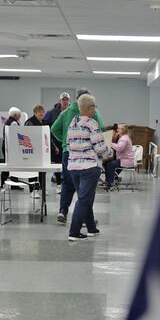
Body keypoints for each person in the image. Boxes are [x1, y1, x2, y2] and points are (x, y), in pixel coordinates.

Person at [50, 88, 104, 224]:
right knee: (85, 188)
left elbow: (53, 129)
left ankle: (63, 211)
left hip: (67, 152)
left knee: (67, 184)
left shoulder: (65, 112)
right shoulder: (92, 112)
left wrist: (65, 141)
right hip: (85, 155)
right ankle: (86, 219)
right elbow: (101, 127)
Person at [66, 94, 108, 241]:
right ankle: (74, 231)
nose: (95, 110)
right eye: (94, 107)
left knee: (86, 198)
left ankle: (91, 228)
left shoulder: (73, 122)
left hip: (73, 167)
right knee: (84, 199)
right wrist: (107, 151)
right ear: (90, 108)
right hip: (89, 167)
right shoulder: (92, 123)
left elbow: (68, 143)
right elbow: (100, 148)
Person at [44, 92, 71, 183]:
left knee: (67, 161)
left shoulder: (72, 112)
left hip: (69, 142)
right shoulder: (51, 113)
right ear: (60, 101)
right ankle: (59, 181)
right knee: (58, 162)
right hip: (56, 142)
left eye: (67, 99)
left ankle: (65, 180)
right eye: (63, 99)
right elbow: (46, 127)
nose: (65, 101)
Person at [103, 123, 135, 188]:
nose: (117, 130)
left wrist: (110, 143)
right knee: (108, 163)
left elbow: (119, 148)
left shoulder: (124, 139)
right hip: (124, 160)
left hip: (126, 161)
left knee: (110, 165)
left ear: (122, 130)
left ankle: (110, 183)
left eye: (118, 129)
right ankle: (109, 180)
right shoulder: (124, 137)